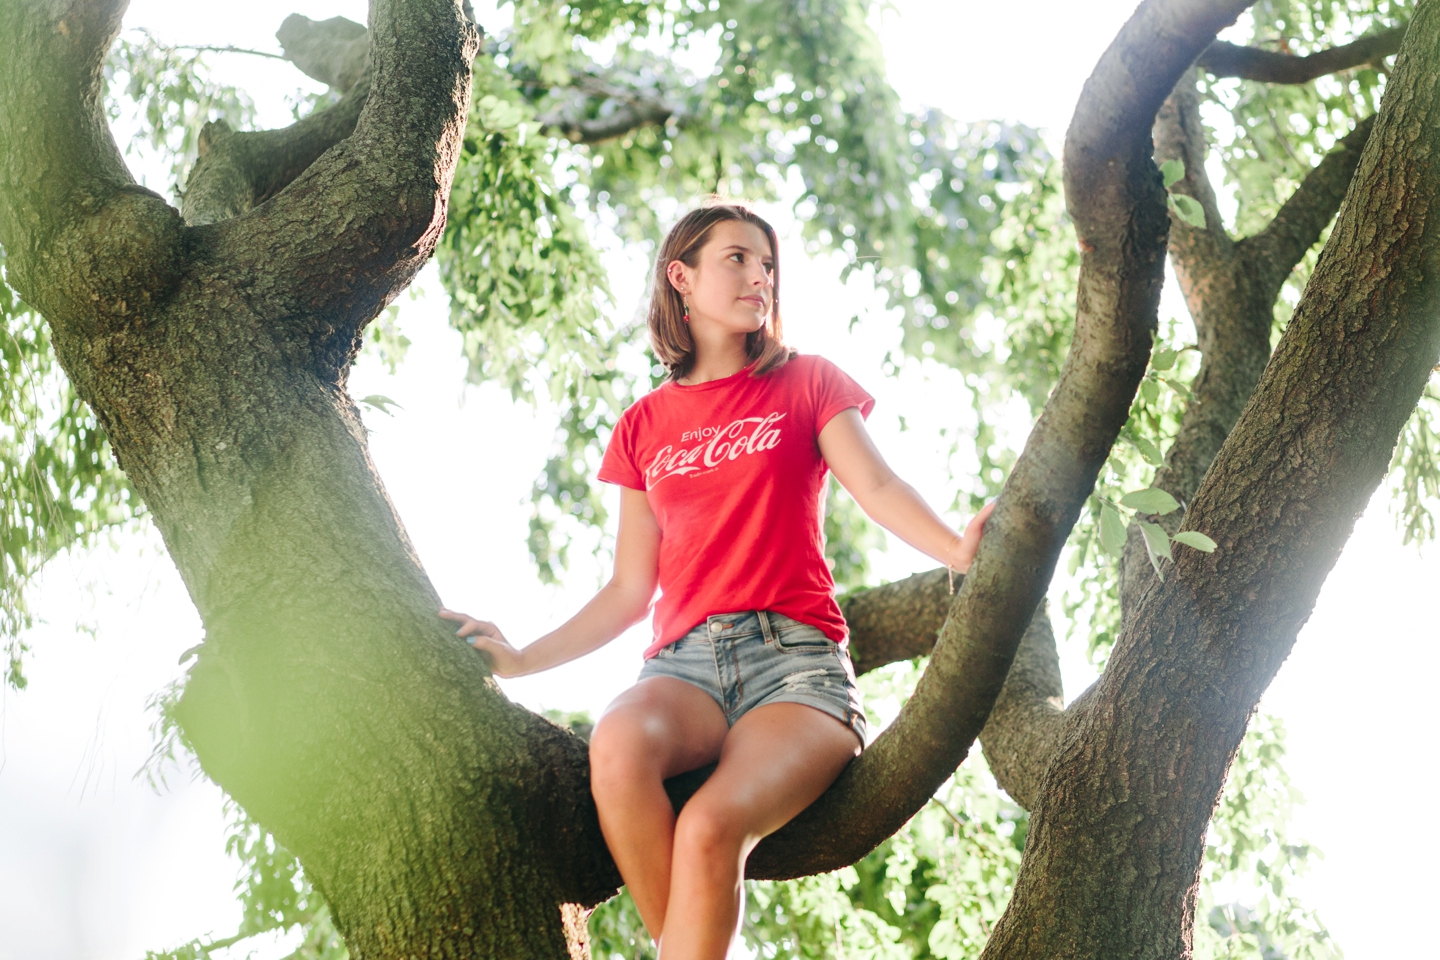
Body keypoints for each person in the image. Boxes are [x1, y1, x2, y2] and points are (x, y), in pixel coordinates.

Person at [440, 202, 991, 958]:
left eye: (767, 264)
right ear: (682, 277)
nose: (759, 277)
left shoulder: (806, 382)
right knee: (618, 744)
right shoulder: (643, 426)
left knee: (707, 828)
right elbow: (629, 590)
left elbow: (880, 486)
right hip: (683, 670)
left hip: (795, 669)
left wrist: (957, 549)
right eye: (737, 258)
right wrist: (522, 658)